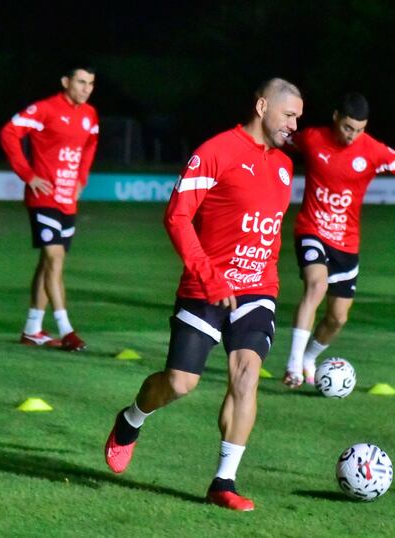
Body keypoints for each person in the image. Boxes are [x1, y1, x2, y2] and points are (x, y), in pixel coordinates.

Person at [104, 78, 303, 511]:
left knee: (246, 376)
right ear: (262, 105)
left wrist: (264, 283)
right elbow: (177, 217)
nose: (294, 125)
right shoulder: (216, 152)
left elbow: (266, 233)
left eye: (298, 119)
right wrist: (209, 275)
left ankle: (224, 482)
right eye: (289, 115)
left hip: (257, 289)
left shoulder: (285, 167)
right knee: (180, 383)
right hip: (204, 286)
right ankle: (131, 418)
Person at [283, 92, 395, 388]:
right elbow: (277, 140)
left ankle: (309, 359)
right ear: (335, 117)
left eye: (359, 130)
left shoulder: (373, 151)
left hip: (347, 243)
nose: (352, 135)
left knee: (337, 318)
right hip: (311, 230)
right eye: (348, 127)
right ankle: (292, 367)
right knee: (316, 285)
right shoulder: (312, 138)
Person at [0, 65, 99, 351]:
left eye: (90, 84)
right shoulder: (45, 109)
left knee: (48, 264)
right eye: (81, 82)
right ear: (65, 81)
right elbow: (8, 133)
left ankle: (32, 329)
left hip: (68, 199)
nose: (86, 88)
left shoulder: (89, 114)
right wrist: (28, 175)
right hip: (44, 198)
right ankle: (66, 329)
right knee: (54, 259)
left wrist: (82, 177)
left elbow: (91, 143)